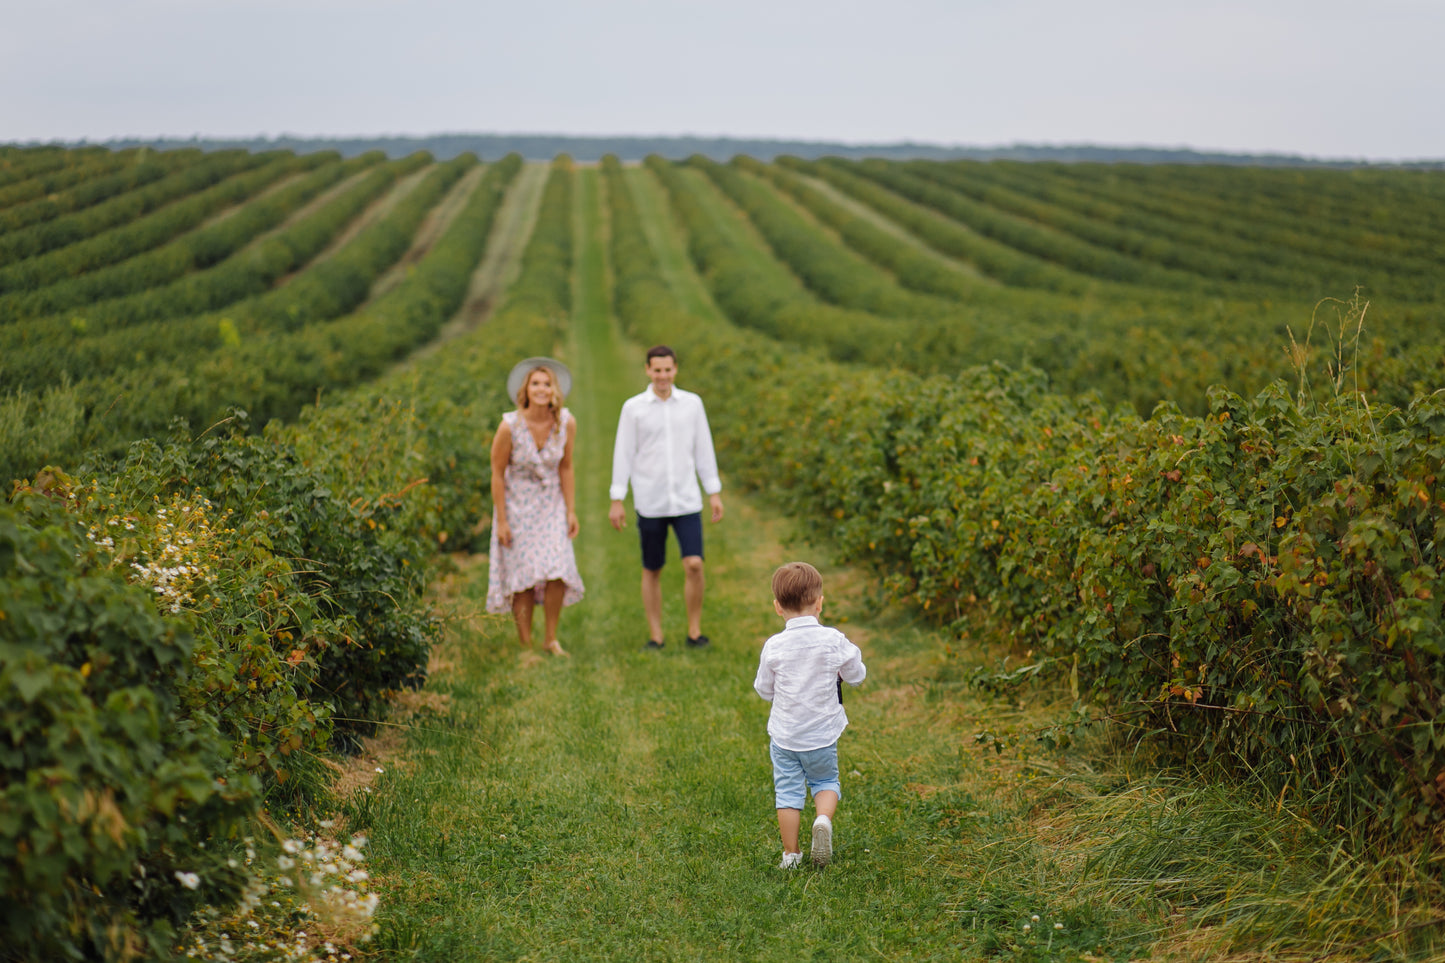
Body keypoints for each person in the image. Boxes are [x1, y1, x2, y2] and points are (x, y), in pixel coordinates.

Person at [608, 345, 723, 650]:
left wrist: (713, 491)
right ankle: (656, 635)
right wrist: (617, 498)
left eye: (667, 370)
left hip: (686, 500)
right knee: (652, 568)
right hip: (651, 501)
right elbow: (624, 453)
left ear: (675, 370)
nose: (662, 376)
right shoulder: (633, 408)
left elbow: (703, 448)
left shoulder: (692, 404)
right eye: (656, 370)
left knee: (694, 564)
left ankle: (695, 631)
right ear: (647, 370)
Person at [754, 562, 866, 869]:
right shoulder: (833, 640)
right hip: (821, 734)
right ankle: (822, 820)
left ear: (778, 607)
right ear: (819, 602)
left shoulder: (774, 646)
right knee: (826, 779)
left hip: (786, 736)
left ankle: (791, 855)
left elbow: (764, 689)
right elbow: (856, 674)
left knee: (788, 792)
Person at [486, 357, 584, 656]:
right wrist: (502, 520)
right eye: (535, 383)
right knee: (524, 576)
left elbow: (566, 467)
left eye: (546, 383)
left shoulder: (566, 423)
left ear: (555, 390)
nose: (541, 389)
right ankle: (525, 643)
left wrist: (570, 510)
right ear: (525, 390)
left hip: (551, 504)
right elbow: (497, 474)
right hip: (517, 507)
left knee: (558, 570)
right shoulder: (509, 426)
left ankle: (550, 638)